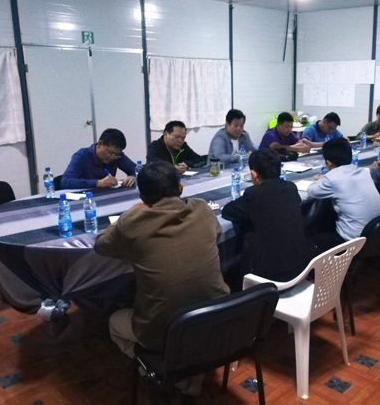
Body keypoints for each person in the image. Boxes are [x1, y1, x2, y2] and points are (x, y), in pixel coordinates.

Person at [94, 161, 229, 359]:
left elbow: (100, 245)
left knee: (114, 321)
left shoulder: (132, 221)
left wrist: (126, 217)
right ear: (180, 187)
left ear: (141, 197)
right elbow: (216, 234)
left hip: (163, 331)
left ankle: (156, 366)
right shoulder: (202, 208)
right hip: (216, 317)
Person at [221, 149, 315, 284]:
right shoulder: (291, 188)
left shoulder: (253, 194)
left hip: (270, 277)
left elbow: (227, 211)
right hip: (301, 267)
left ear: (254, 174)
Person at [307, 138, 380, 251]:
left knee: (309, 239)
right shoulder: (363, 172)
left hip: (352, 243)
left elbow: (311, 191)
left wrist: (322, 179)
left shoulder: (332, 178)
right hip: (377, 237)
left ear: (328, 163)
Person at [61, 128, 136, 189]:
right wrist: (97, 183)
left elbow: (138, 170)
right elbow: (65, 182)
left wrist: (134, 176)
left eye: (116, 154)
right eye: (110, 153)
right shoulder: (82, 156)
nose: (113, 157)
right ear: (100, 144)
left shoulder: (117, 156)